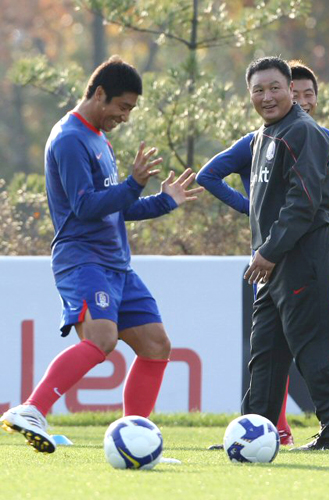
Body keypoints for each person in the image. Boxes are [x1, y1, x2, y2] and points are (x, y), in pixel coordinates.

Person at [0, 56, 203, 453]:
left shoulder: (99, 138)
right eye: (122, 107)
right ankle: (30, 409)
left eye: (130, 110)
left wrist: (164, 201)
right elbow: (84, 206)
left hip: (117, 265)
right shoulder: (69, 138)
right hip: (83, 259)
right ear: (98, 94)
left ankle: (136, 441)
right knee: (102, 338)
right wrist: (133, 182)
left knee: (156, 345)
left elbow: (118, 206)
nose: (125, 117)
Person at [197, 60, 329, 447]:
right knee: (266, 350)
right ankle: (254, 433)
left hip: (301, 255)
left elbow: (304, 202)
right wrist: (266, 248)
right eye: (259, 90)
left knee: (311, 346)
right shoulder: (264, 136)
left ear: (290, 91)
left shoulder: (303, 132)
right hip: (274, 260)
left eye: (275, 87)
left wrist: (270, 250)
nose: (267, 96)